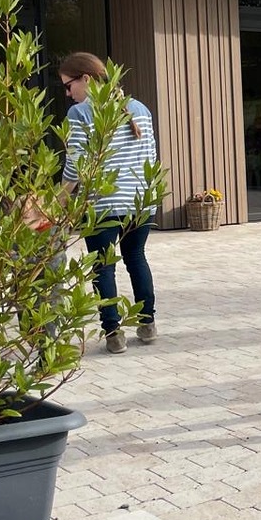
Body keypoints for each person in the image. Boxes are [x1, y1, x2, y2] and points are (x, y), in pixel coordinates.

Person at [59, 52, 158, 355]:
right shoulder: (140, 108)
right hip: (140, 202)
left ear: (86, 79)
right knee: (136, 258)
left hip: (103, 204)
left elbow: (75, 164)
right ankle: (147, 324)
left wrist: (60, 199)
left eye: (68, 85)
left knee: (103, 267)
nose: (68, 93)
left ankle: (114, 334)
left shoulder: (80, 113)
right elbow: (151, 157)